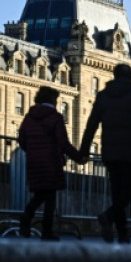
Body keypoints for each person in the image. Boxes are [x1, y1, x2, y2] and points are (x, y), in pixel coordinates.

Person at [80, 63, 131, 243]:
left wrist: (84, 150)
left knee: (117, 191)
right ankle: (109, 216)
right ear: (130, 77)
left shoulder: (103, 96)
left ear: (114, 76)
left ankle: (122, 234)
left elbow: (91, 124)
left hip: (109, 150)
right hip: (130, 151)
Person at [17, 86, 85, 240]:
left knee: (40, 194)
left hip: (34, 162)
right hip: (51, 162)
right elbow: (63, 143)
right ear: (52, 100)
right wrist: (78, 157)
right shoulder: (55, 117)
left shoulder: (28, 117)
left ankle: (26, 220)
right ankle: (46, 231)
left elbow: (21, 140)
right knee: (50, 198)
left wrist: (33, 151)